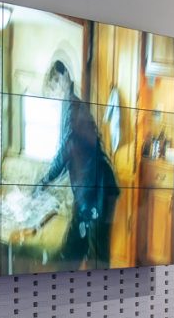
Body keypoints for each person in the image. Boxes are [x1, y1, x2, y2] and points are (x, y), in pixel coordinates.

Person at [37, 58, 119, 269]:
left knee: (97, 258)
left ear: (63, 78)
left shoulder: (73, 107)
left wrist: (45, 180)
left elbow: (67, 147)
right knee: (71, 252)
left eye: (53, 88)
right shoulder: (70, 104)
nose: (54, 95)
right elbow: (70, 153)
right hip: (87, 193)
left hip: (98, 192)